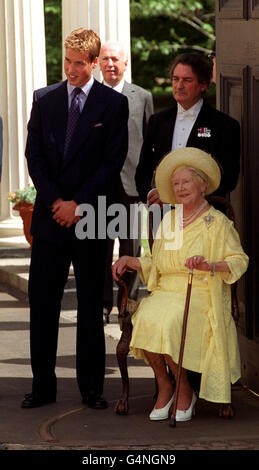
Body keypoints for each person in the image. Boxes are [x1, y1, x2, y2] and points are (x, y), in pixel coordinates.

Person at [22, 29, 129, 409]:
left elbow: (112, 161)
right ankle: (42, 387)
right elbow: (33, 156)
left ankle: (92, 389)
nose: (70, 69)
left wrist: (78, 204)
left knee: (89, 305)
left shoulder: (113, 106)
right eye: (66, 61)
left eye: (79, 63)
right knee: (43, 303)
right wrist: (56, 202)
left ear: (95, 63)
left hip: (92, 217)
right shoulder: (44, 99)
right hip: (51, 218)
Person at [112, 147, 248, 422]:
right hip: (167, 289)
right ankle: (166, 385)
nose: (180, 188)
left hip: (201, 291)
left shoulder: (217, 222)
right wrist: (131, 260)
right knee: (147, 316)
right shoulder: (170, 220)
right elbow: (157, 264)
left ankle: (184, 388)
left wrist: (209, 265)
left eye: (186, 182)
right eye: (175, 184)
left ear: (202, 185)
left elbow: (238, 260)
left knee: (171, 320)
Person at [135, 52, 240, 206]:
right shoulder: (157, 121)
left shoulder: (224, 125)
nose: (179, 86)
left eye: (187, 80)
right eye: (175, 79)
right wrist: (152, 195)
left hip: (204, 216)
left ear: (203, 85)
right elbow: (142, 173)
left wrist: (191, 197)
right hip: (163, 217)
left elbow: (229, 179)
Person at [99, 41, 154, 319]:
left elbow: (150, 141)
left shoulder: (142, 97)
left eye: (115, 60)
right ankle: (102, 305)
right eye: (105, 59)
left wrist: (149, 183)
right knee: (99, 245)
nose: (110, 64)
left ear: (125, 63)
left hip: (131, 186)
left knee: (131, 246)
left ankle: (128, 305)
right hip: (98, 187)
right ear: (98, 63)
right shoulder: (89, 96)